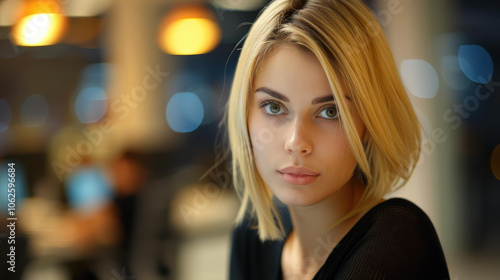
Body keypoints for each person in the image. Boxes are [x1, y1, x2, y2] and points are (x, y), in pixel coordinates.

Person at [226, 0, 450, 279]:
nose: (296, 142)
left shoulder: (396, 238)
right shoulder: (253, 237)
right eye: (273, 107)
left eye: (330, 112)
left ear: (369, 122)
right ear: (244, 113)